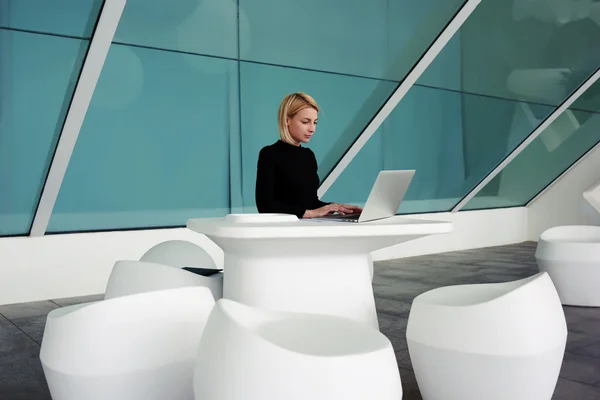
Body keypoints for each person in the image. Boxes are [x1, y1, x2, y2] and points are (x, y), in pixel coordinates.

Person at [255, 92, 362, 219]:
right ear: (287, 120)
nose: (312, 129)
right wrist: (310, 213)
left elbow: (310, 203)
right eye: (306, 122)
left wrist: (335, 207)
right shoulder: (269, 154)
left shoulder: (308, 156)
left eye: (315, 122)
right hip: (284, 231)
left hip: (307, 227)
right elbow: (265, 206)